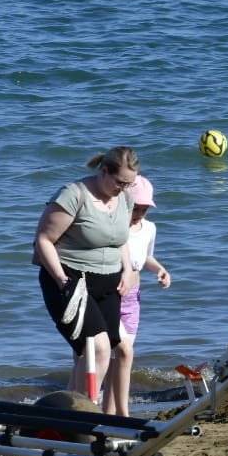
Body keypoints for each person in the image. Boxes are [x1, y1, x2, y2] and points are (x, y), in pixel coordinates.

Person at [34, 146, 140, 399]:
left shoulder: (125, 198)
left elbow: (119, 239)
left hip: (109, 283)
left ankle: (71, 406)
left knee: (96, 351)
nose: (124, 188)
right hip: (71, 282)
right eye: (120, 182)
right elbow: (43, 240)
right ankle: (85, 409)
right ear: (104, 171)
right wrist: (63, 281)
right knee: (98, 349)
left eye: (129, 183)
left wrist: (127, 269)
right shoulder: (73, 195)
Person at [106, 175, 173, 415]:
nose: (140, 214)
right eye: (136, 208)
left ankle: (109, 413)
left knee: (120, 360)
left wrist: (161, 270)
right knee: (122, 351)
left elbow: (145, 258)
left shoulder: (149, 229)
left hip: (132, 298)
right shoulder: (114, 227)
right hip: (110, 295)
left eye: (144, 209)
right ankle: (123, 414)